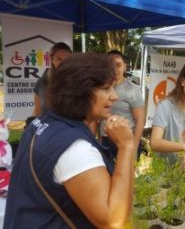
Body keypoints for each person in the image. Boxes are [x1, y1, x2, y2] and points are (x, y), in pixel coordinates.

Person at [4, 53, 135, 228]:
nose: (114, 96)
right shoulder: (75, 148)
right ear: (79, 92)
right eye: (106, 88)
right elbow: (113, 220)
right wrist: (126, 146)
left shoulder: (40, 123)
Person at [100, 50, 145, 161]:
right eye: (110, 65)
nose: (115, 69)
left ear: (125, 66)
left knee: (126, 177)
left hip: (126, 138)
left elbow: (140, 120)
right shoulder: (99, 87)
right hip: (106, 139)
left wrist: (133, 147)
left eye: (118, 65)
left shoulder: (133, 90)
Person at [32, 42, 72, 117]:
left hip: (72, 127)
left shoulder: (78, 81)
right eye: (59, 59)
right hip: (47, 126)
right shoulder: (42, 82)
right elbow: (37, 110)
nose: (63, 62)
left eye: (67, 59)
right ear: (51, 60)